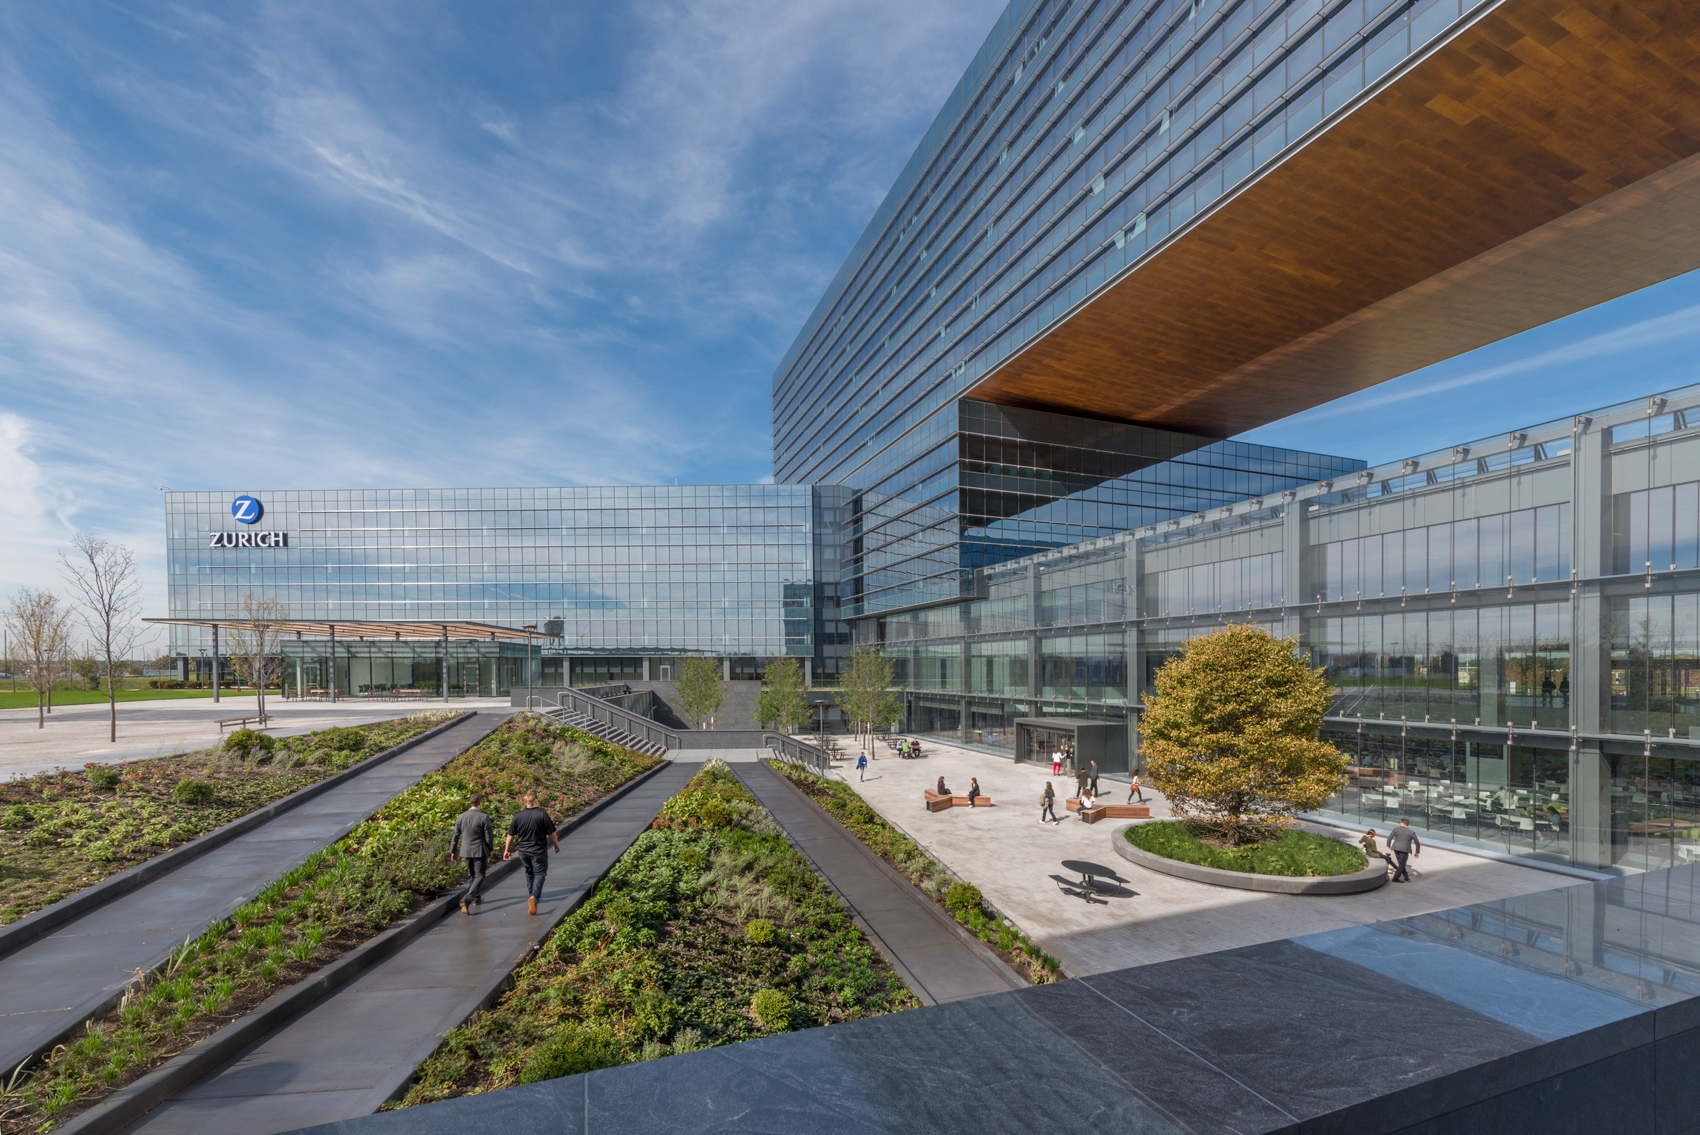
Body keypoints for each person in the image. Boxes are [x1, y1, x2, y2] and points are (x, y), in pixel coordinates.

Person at [502, 792, 561, 915]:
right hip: (538, 850)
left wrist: (507, 850)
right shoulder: (542, 815)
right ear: (536, 802)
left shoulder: (518, 816)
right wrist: (556, 844)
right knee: (540, 873)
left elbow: (510, 834)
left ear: (525, 803)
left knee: (529, 872)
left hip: (523, 851)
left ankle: (530, 894)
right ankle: (534, 896)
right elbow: (551, 833)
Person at [450, 793, 493, 915]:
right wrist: (490, 848)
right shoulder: (484, 817)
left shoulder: (461, 817)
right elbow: (488, 836)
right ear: (480, 803)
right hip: (479, 850)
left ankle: (476, 898)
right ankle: (467, 899)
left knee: (471, 875)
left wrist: (453, 850)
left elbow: (455, 835)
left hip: (466, 850)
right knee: (480, 875)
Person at [1386, 818, 1421, 882]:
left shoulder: (1396, 829)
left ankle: (1406, 877)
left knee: (1401, 864)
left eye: (1400, 822)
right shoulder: (1411, 832)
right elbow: (1417, 843)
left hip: (1396, 848)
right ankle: (1395, 878)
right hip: (1405, 849)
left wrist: (1389, 845)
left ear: (1402, 823)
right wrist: (1417, 852)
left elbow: (1389, 837)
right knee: (1402, 864)